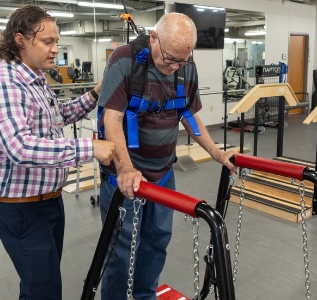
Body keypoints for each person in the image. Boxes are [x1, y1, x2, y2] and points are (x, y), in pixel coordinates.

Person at [0, 5, 115, 299]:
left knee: (43, 285)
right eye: (48, 42)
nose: (55, 49)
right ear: (20, 40)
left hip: (48, 203)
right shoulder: (3, 85)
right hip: (20, 208)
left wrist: (95, 93)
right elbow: (19, 147)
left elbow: (58, 115)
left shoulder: (35, 80)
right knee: (44, 290)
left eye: (56, 41)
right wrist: (90, 147)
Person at [96, 13, 237, 299]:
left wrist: (218, 153)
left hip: (162, 174)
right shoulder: (124, 60)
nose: (174, 67)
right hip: (125, 177)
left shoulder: (186, 67)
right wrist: (125, 169)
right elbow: (112, 118)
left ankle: (145, 296)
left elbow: (189, 115)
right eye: (169, 58)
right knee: (121, 250)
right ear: (153, 39)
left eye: (181, 61)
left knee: (156, 241)